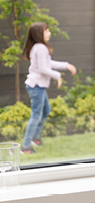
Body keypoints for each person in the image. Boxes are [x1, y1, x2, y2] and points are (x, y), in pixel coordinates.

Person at [21, 22, 76, 155]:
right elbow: (43, 69)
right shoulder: (40, 48)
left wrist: (66, 65)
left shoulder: (39, 47)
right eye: (47, 31)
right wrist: (58, 76)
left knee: (46, 110)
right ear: (40, 34)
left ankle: (35, 138)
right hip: (36, 86)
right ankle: (26, 147)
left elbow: (48, 63)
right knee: (36, 114)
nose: (49, 33)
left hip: (37, 86)